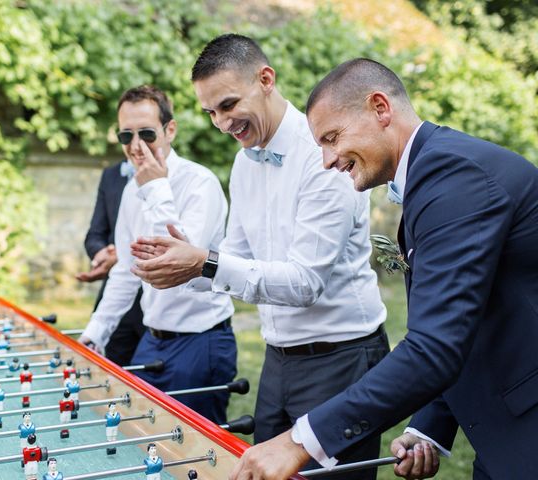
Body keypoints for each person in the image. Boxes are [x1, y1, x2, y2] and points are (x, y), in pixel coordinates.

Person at [229, 58, 538, 480]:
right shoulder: (437, 171)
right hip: (502, 433)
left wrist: (298, 441)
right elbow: (464, 320)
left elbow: (434, 348)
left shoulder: (453, 178)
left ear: (380, 108)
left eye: (332, 138)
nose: (327, 160)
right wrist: (428, 428)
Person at [130, 34, 388, 476]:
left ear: (265, 79)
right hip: (278, 359)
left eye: (229, 105)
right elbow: (235, 257)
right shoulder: (242, 163)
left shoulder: (324, 152)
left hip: (342, 359)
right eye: (210, 112)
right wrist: (182, 265)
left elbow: (305, 282)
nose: (221, 123)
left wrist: (204, 262)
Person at [79, 85, 236, 424]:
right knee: (143, 442)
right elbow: (124, 269)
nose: (135, 146)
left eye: (146, 134)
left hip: (201, 340)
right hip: (152, 340)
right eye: (126, 135)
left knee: (199, 457)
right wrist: (95, 333)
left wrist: (156, 188)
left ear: (170, 130)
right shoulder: (130, 189)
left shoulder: (200, 184)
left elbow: (177, 267)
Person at [76, 149, 145, 367]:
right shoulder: (110, 175)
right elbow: (94, 235)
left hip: (156, 300)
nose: (135, 144)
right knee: (114, 370)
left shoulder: (185, 178)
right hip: (117, 293)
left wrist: (124, 255)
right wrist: (102, 254)